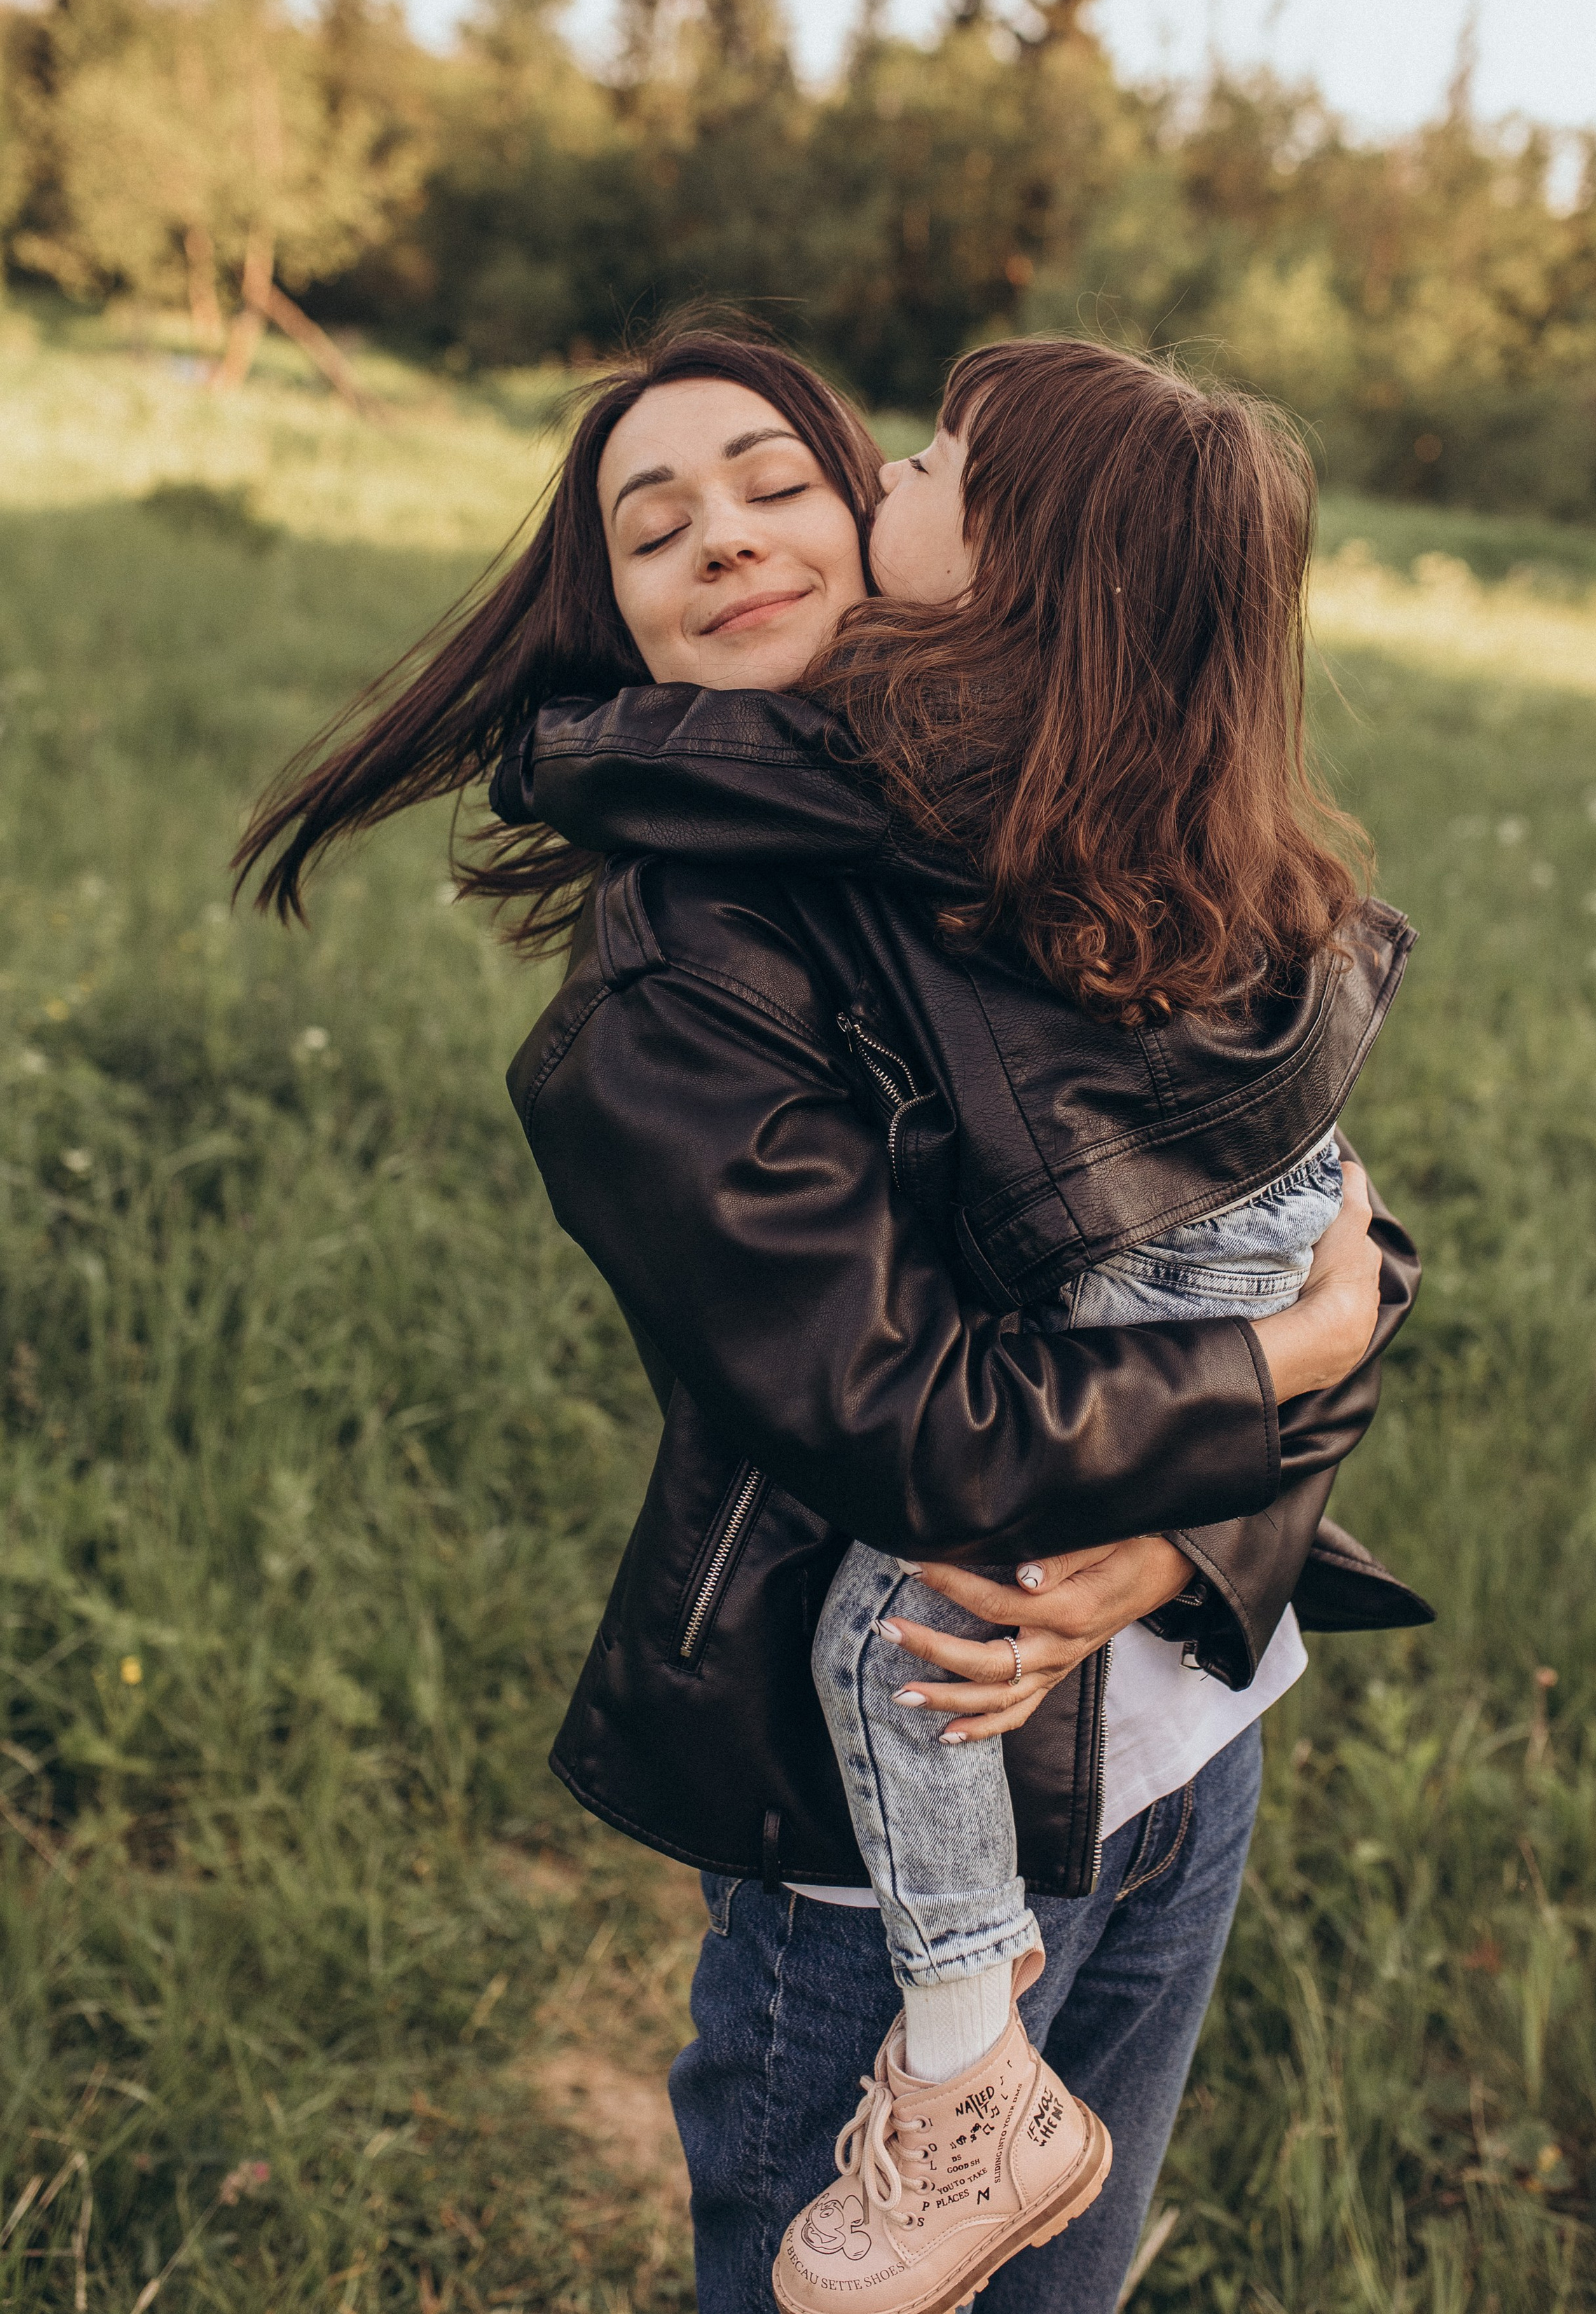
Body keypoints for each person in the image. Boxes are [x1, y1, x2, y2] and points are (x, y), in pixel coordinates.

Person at [238, 327, 1426, 2314]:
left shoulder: (1048, 814)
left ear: (898, 521)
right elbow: (924, 1426)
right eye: (652, 522)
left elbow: (1297, 1223)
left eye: (777, 481)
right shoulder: (678, 988)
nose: (722, 535)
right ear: (606, 607)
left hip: (1184, 1741)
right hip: (895, 1845)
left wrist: (1183, 1528)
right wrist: (1269, 1375)